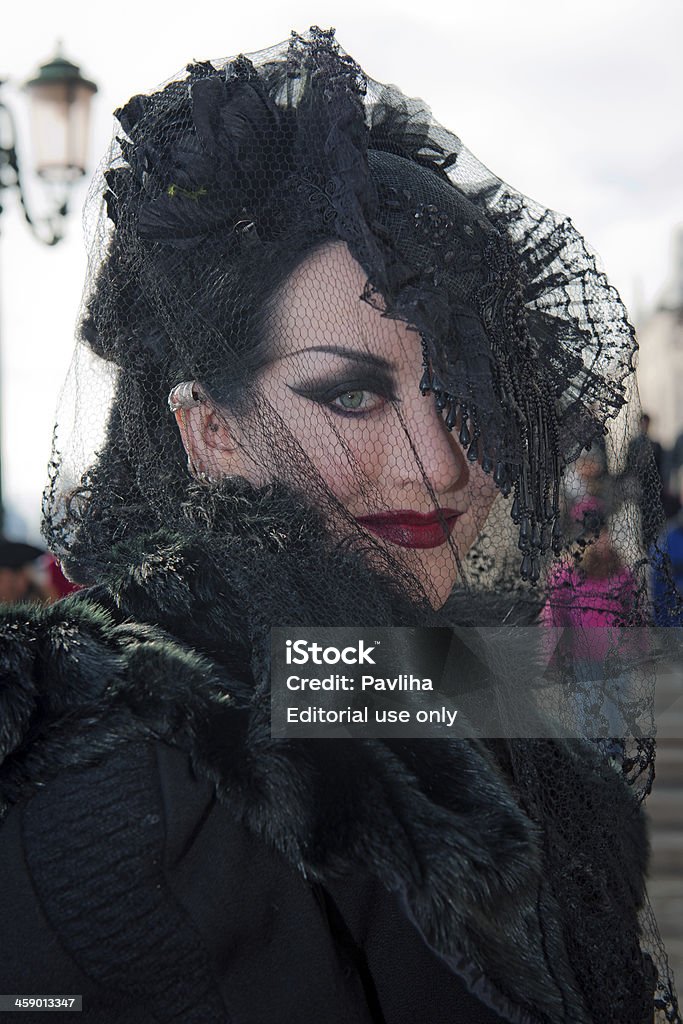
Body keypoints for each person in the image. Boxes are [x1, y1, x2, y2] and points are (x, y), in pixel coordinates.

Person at [0, 28, 679, 1024]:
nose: (436, 462)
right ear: (212, 433)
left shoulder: (436, 670)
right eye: (349, 396)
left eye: (461, 392)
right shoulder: (139, 753)